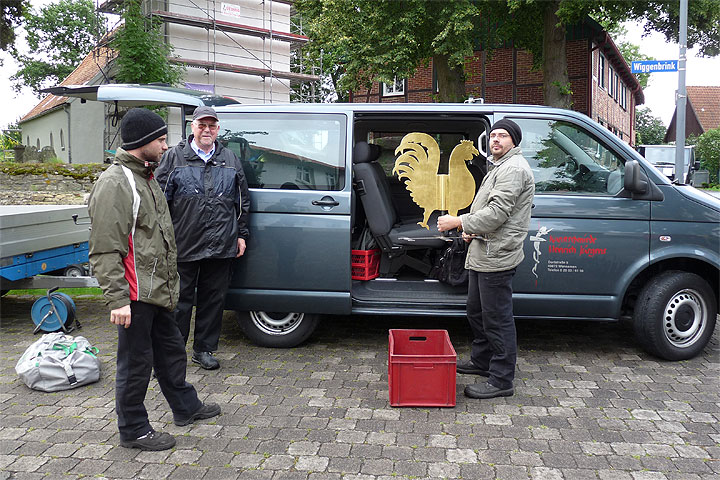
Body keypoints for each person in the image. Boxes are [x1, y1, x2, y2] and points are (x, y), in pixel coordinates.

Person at [88, 108, 221, 451]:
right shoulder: (116, 183)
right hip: (134, 293)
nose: (165, 147)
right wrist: (118, 299)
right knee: (136, 363)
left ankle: (185, 407)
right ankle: (133, 429)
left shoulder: (147, 177)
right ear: (143, 142)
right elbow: (105, 248)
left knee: (171, 351)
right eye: (161, 140)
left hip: (157, 288)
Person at [437, 118, 534, 399]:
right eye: (493, 136)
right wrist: (470, 230)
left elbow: (496, 214)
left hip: (497, 254)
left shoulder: (513, 169)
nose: (496, 140)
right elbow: (489, 210)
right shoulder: (500, 166)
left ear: (514, 141)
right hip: (485, 248)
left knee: (497, 318)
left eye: (503, 136)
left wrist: (459, 222)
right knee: (477, 311)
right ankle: (482, 360)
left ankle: (502, 379)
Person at [155, 106, 250, 370]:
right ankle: (172, 355)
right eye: (201, 125)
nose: (207, 130)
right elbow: (160, 202)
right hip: (183, 242)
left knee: (213, 300)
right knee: (178, 302)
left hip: (221, 243)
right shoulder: (174, 158)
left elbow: (242, 201)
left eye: (212, 126)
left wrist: (241, 234)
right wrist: (161, 239)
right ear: (192, 127)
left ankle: (204, 349)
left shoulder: (229, 159)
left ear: (218, 129)